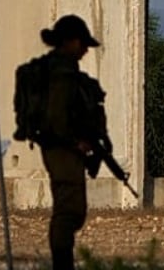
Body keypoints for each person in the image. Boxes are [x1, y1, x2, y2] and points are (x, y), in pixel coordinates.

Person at [35, 14, 105, 270]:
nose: (86, 49)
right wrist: (77, 142)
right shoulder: (61, 74)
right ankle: (61, 264)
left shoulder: (64, 71)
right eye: (82, 43)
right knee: (68, 211)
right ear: (70, 42)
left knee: (73, 209)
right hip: (61, 148)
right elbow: (57, 118)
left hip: (64, 147)